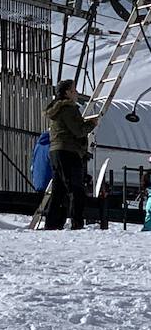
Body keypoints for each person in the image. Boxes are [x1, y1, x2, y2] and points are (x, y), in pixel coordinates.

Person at [45, 79, 98, 231]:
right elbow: (78, 130)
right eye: (74, 90)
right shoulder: (68, 108)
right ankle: (76, 223)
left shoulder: (56, 109)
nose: (76, 93)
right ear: (67, 92)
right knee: (76, 188)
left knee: (59, 190)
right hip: (68, 151)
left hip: (56, 150)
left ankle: (52, 223)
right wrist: (92, 124)